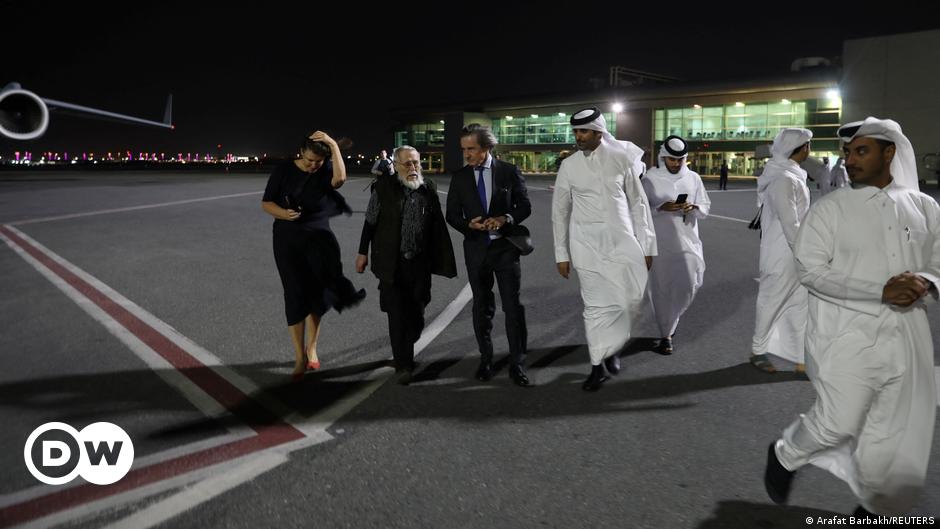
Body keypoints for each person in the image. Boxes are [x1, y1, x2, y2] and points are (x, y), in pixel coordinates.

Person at [764, 117, 938, 518]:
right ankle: (786, 454)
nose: (850, 160)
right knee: (837, 421)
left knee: (892, 431)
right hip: (843, 333)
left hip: (906, 333)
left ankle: (876, 508)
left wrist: (925, 280)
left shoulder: (925, 206)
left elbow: (937, 257)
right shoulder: (829, 210)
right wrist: (879, 291)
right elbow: (810, 270)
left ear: (889, 153)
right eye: (848, 152)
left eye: (861, 151)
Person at [551, 107, 657, 391]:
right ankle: (597, 364)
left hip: (622, 241)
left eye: (583, 132)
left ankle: (614, 346)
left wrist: (647, 244)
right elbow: (559, 211)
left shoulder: (621, 160)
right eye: (575, 132)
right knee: (596, 307)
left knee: (630, 301)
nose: (578, 137)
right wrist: (561, 254)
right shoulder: (569, 165)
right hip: (585, 245)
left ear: (599, 133)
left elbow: (639, 203)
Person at [261, 131, 367, 381]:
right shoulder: (283, 171)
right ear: (301, 152)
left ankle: (312, 348)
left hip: (320, 240)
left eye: (318, 162)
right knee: (295, 293)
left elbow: (340, 179)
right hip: (287, 240)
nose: (313, 166)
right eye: (309, 160)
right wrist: (282, 214)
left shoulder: (325, 169)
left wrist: (332, 145)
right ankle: (299, 356)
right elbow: (266, 203)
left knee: (317, 294)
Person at [357, 145, 456, 385]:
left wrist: (441, 256)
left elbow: (436, 224)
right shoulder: (383, 188)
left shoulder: (427, 188)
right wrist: (362, 252)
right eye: (407, 164)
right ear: (396, 165)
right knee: (397, 315)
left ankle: (408, 341)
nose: (413, 168)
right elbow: (370, 222)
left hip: (419, 264)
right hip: (392, 263)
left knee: (418, 312)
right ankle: (403, 364)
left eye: (416, 163)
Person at [446, 124, 533, 387]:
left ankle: (517, 363)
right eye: (464, 149)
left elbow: (524, 205)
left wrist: (505, 218)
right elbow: (452, 215)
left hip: (505, 249)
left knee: (512, 307)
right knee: (482, 308)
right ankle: (486, 359)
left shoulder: (508, 171)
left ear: (486, 148)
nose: (467, 154)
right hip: (476, 250)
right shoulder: (460, 177)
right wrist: (468, 225)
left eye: (471, 149)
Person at [749, 128, 812, 374]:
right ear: (799, 149)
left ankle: (800, 357)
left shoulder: (791, 175)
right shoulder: (784, 179)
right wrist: (806, 252)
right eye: (808, 145)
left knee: (800, 304)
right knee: (771, 301)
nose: (810, 149)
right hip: (782, 253)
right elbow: (790, 222)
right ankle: (757, 350)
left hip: (793, 251)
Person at [641, 136, 710, 354]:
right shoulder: (650, 179)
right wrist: (661, 208)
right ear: (663, 157)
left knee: (690, 283)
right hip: (660, 242)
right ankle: (666, 334)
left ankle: (671, 321)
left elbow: (705, 206)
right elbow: (639, 210)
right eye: (671, 159)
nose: (675, 164)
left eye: (679, 160)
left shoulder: (693, 178)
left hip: (688, 240)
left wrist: (693, 207)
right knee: (662, 287)